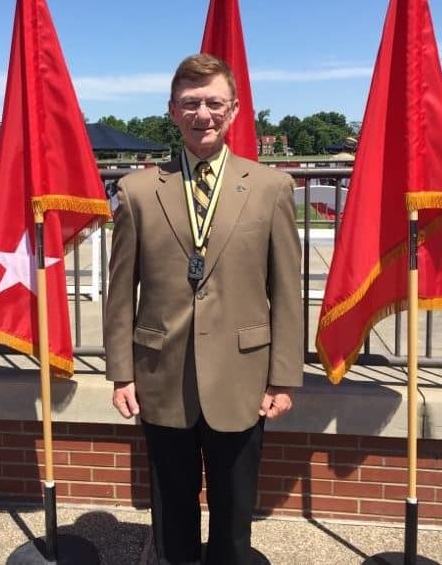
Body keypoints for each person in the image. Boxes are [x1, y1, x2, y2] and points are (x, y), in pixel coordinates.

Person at [104, 54, 303, 565]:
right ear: (173, 111)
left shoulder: (270, 188)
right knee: (171, 505)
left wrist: (283, 377)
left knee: (235, 508)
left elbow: (285, 291)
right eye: (191, 103)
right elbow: (121, 290)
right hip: (160, 372)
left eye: (214, 102)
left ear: (234, 110)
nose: (203, 114)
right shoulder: (139, 191)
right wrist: (121, 373)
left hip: (243, 373)